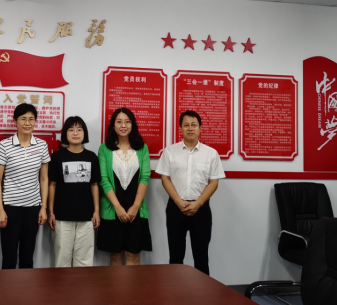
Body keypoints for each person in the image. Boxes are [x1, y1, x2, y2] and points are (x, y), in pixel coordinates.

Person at [157, 110, 225, 276]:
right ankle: (175, 290)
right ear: (180, 128)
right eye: (186, 125)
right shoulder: (169, 152)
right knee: (175, 256)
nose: (190, 128)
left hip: (201, 209)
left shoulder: (211, 153)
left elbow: (214, 182)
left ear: (200, 128)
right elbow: (165, 178)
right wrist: (179, 202)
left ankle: (203, 292)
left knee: (201, 257)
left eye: (194, 125)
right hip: (176, 208)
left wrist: (198, 203)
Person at [0, 103, 50, 269]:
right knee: (9, 257)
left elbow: (44, 178)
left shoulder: (41, 145)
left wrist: (43, 208)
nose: (27, 123)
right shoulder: (4, 145)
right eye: (23, 119)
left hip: (33, 208)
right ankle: (7, 286)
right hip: (10, 207)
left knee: (27, 256)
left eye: (31, 119)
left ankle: (27, 286)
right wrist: (0, 210)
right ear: (15, 121)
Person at [97, 108, 152, 266]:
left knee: (133, 255)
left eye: (127, 122)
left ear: (132, 125)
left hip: (136, 210)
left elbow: (145, 177)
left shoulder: (142, 148)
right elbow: (104, 180)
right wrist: (117, 207)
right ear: (113, 125)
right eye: (119, 121)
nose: (123, 125)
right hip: (112, 209)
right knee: (115, 256)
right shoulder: (104, 148)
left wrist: (135, 206)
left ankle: (134, 286)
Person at [47, 116, 101, 267]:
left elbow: (94, 185)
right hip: (62, 218)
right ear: (65, 133)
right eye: (71, 129)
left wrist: (96, 211)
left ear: (84, 133)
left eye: (79, 129)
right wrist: (51, 212)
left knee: (84, 262)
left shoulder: (91, 157)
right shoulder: (57, 157)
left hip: (86, 217)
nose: (75, 133)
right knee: (62, 260)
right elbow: (52, 185)